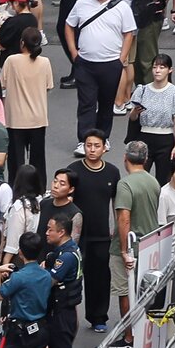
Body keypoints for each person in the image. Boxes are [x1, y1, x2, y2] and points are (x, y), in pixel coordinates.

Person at [64, 0, 136, 152]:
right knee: (86, 102)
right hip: (85, 63)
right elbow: (69, 25)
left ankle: (103, 138)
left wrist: (121, 59)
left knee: (106, 102)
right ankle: (85, 140)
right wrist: (74, 52)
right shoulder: (82, 3)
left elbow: (129, 33)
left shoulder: (121, 7)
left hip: (111, 63)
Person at [68, 130, 121, 335]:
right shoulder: (73, 170)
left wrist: (117, 229)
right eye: (88, 145)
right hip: (76, 235)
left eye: (96, 145)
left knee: (99, 278)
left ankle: (98, 317)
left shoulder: (112, 172)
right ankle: (68, 319)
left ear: (104, 148)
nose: (92, 149)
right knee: (72, 277)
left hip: (101, 235)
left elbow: (117, 202)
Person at [112, 141, 161, 348]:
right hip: (149, 243)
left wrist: (123, 250)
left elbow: (124, 218)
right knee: (144, 291)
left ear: (125, 158)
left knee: (125, 291)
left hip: (130, 246)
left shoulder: (125, 184)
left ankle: (129, 337)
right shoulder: (154, 182)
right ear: (146, 159)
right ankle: (144, 331)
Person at [43, 214, 83, 348]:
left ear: (62, 232)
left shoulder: (66, 256)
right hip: (64, 312)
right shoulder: (65, 251)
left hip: (61, 315)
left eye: (50, 229)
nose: (47, 232)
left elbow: (48, 281)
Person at [1, 27, 53, 178]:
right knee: (38, 159)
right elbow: (48, 86)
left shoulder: (11, 60)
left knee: (16, 161)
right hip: (38, 118)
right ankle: (39, 190)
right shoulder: (44, 62)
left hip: (15, 119)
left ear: (22, 42)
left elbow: (2, 83)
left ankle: (16, 190)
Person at [129, 54, 175, 185]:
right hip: (143, 138)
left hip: (165, 139)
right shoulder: (142, 90)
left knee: (163, 181)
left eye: (162, 67)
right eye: (155, 67)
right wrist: (135, 112)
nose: (157, 70)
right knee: (139, 179)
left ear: (170, 70)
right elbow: (133, 118)